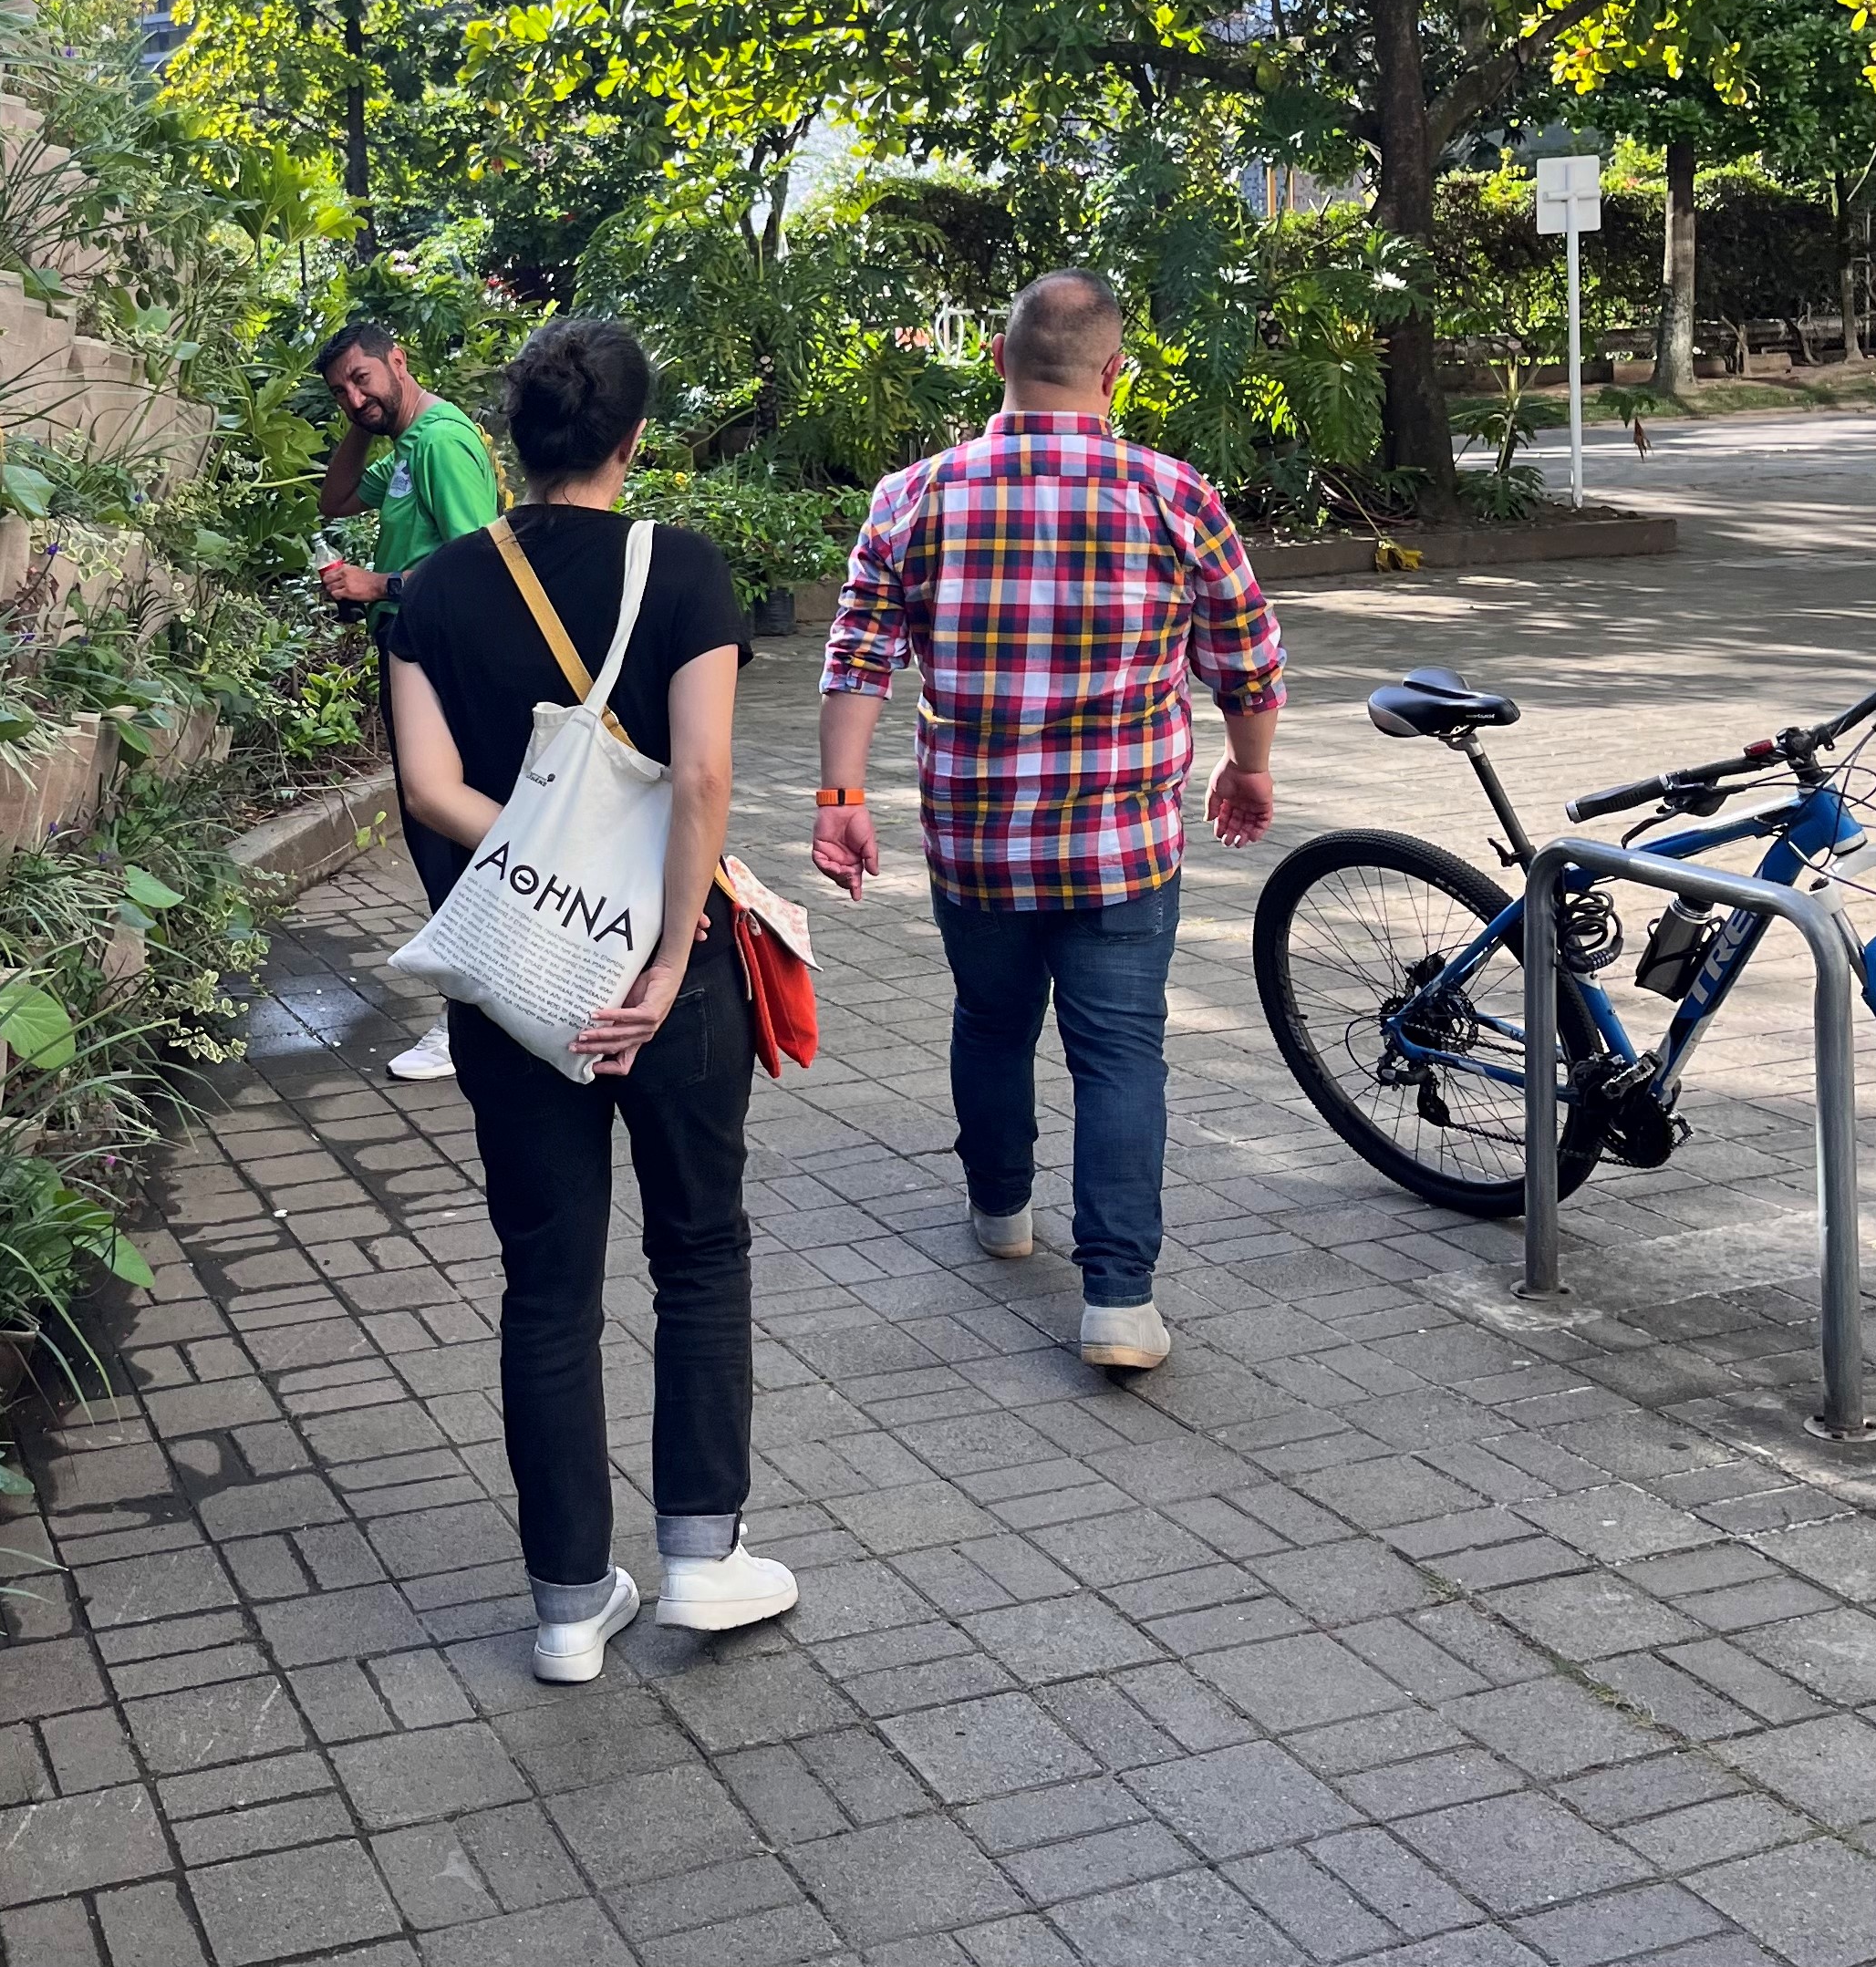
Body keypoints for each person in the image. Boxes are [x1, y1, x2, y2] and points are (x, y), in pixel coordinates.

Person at [389, 317, 794, 1684]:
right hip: (672, 975)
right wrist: (666, 951)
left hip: (519, 980)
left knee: (548, 1285)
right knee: (700, 1249)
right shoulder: (681, 567)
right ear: (634, 438)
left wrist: (550, 875)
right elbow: (702, 776)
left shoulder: (433, 588)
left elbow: (430, 789)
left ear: (513, 439)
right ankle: (702, 1556)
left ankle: (568, 1603)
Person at [813, 268, 1283, 1372]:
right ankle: (1118, 1300)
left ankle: (1001, 1208)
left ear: (997, 358)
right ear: (1115, 373)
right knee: (1119, 1051)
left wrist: (841, 801)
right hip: (1123, 843)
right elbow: (1248, 658)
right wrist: (1249, 767)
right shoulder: (1175, 495)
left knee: (990, 1019)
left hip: (976, 839)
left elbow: (857, 657)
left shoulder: (914, 496)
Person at [312, 319, 503, 1081]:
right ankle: (482, 1010)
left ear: (399, 360)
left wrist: (378, 584)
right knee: (438, 840)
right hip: (413, 653)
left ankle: (471, 1024)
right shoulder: (404, 445)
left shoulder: (441, 443)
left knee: (443, 838)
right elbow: (333, 500)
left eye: (362, 379)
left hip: (441, 664)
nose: (354, 398)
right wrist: (361, 420)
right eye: (340, 392)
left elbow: (482, 566)